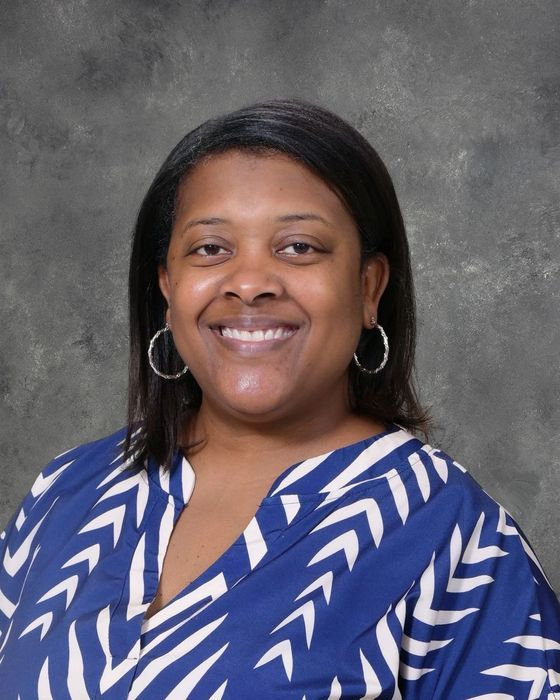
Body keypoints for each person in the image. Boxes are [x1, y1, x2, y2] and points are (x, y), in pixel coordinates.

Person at [0, 99, 559, 699]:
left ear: (368, 288)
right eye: (210, 248)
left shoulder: (456, 537)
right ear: (167, 287)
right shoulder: (65, 493)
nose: (249, 283)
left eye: (298, 247)